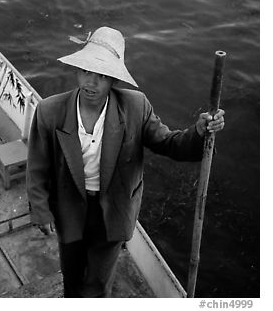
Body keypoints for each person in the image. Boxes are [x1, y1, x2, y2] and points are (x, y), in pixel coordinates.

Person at [26, 26, 225, 298]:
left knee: (98, 283)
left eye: (101, 76)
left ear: (113, 81)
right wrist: (41, 210)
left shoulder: (136, 107)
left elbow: (169, 143)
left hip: (113, 211)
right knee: (71, 273)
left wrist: (199, 132)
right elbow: (38, 165)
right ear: (76, 70)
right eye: (85, 71)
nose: (91, 83)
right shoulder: (49, 111)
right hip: (68, 207)